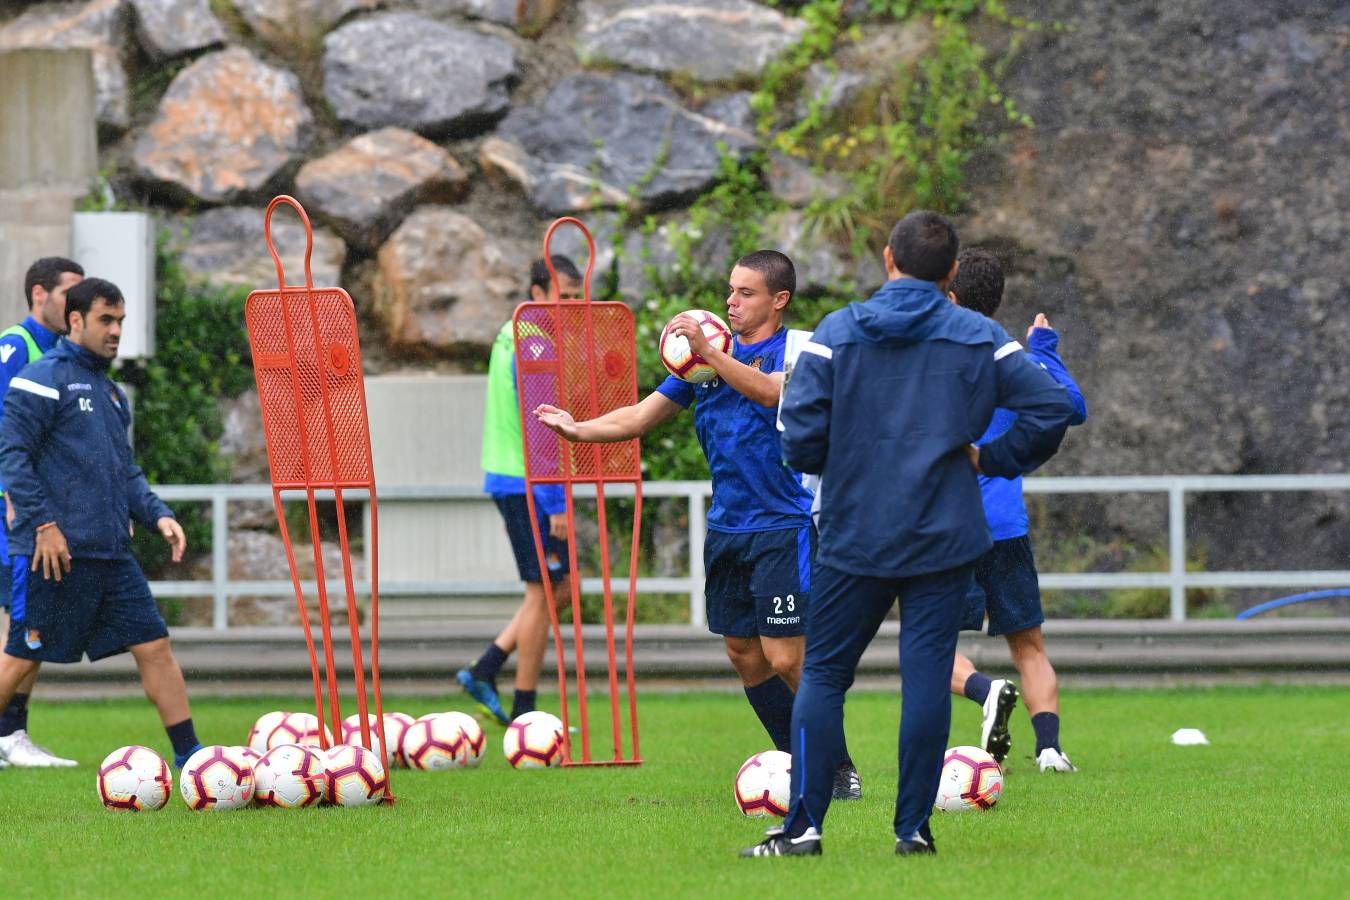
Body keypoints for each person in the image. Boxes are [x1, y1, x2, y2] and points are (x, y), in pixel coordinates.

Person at [746, 211, 1074, 858]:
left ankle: (805, 828)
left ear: (889, 261)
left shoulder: (835, 333)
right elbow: (1054, 406)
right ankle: (913, 831)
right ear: (951, 272)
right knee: (925, 679)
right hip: (942, 532)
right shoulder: (979, 335)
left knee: (825, 677)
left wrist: (839, 459)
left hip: (854, 530)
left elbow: (800, 437)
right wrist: (992, 455)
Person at [536, 250, 862, 801]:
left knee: (786, 656)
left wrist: (710, 350)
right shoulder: (699, 365)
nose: (731, 303)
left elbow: (773, 392)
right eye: (730, 291)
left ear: (779, 300)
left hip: (782, 524)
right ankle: (799, 760)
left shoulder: (800, 350)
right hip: (727, 528)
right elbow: (641, 415)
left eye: (746, 293)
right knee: (743, 653)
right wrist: (579, 430)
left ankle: (838, 766)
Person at [0, 277, 203, 768]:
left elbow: (124, 470)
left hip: (111, 554)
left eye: (120, 321)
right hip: (56, 553)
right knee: (22, 655)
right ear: (76, 321)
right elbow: (11, 455)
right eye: (105, 320)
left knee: (155, 645)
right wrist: (43, 525)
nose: (116, 331)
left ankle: (191, 756)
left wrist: (158, 514)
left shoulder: (112, 394)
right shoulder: (42, 377)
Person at [944, 249, 1087, 773]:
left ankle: (984, 691)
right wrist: (1045, 350)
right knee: (1029, 644)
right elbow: (1071, 406)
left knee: (930, 647)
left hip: (946, 526)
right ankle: (1049, 748)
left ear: (950, 296)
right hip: (1005, 526)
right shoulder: (1014, 358)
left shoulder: (936, 354)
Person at [456, 256, 582, 725]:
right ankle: (522, 708)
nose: (572, 305)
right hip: (528, 483)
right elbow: (543, 429)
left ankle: (488, 669)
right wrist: (557, 503)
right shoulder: (534, 344)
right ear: (537, 292)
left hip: (513, 478)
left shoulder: (513, 332)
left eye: (576, 296)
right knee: (545, 593)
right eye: (563, 296)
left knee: (562, 587)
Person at [0, 257, 83, 768]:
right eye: (66, 294)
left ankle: (11, 735)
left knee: (25, 620)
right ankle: (11, 734)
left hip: (40, 512)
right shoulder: (16, 346)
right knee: (26, 622)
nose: (74, 306)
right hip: (14, 513)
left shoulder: (64, 354)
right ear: (38, 294)